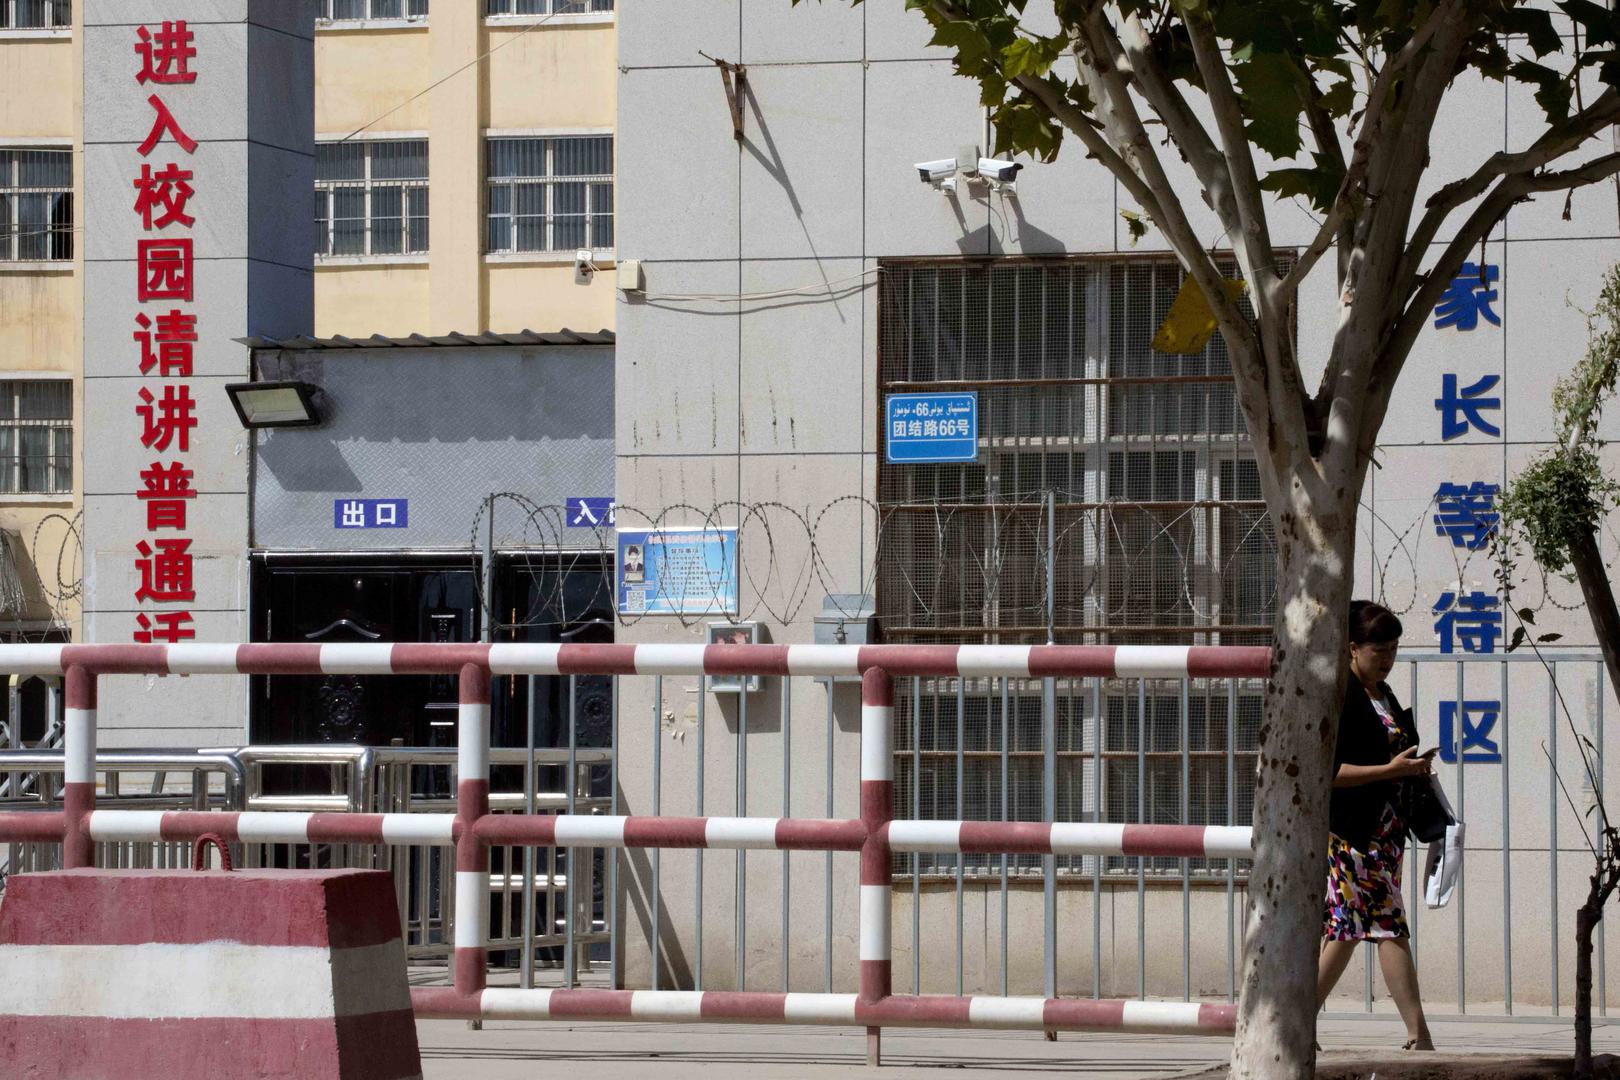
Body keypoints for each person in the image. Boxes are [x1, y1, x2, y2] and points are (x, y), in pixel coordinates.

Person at [1317, 600, 1436, 1051]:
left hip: (1385, 834)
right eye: (1378, 650)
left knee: (1347, 932)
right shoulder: (1342, 697)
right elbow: (1328, 773)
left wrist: (1412, 768)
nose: (1387, 658)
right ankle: (1419, 1034)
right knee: (1386, 927)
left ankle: (1294, 1022)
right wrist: (1391, 770)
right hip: (1354, 835)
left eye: (1393, 649)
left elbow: (1392, 759)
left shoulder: (1383, 695)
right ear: (1351, 648)